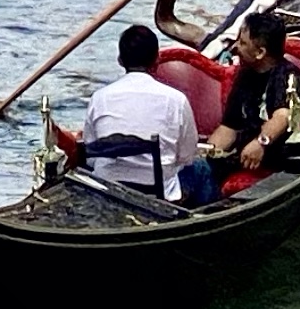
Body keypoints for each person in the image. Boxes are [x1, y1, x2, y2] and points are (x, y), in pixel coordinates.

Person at [66, 21, 208, 208]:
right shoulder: (176, 100)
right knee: (202, 168)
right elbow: (187, 156)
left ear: (120, 60)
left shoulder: (98, 98)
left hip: (107, 189)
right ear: (156, 60)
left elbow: (91, 156)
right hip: (158, 192)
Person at [213, 8, 300, 182]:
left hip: (284, 161)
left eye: (242, 43)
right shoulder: (245, 75)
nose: (235, 47)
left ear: (260, 52)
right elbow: (229, 128)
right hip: (245, 157)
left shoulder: (288, 76)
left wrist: (261, 143)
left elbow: (284, 116)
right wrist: (206, 154)